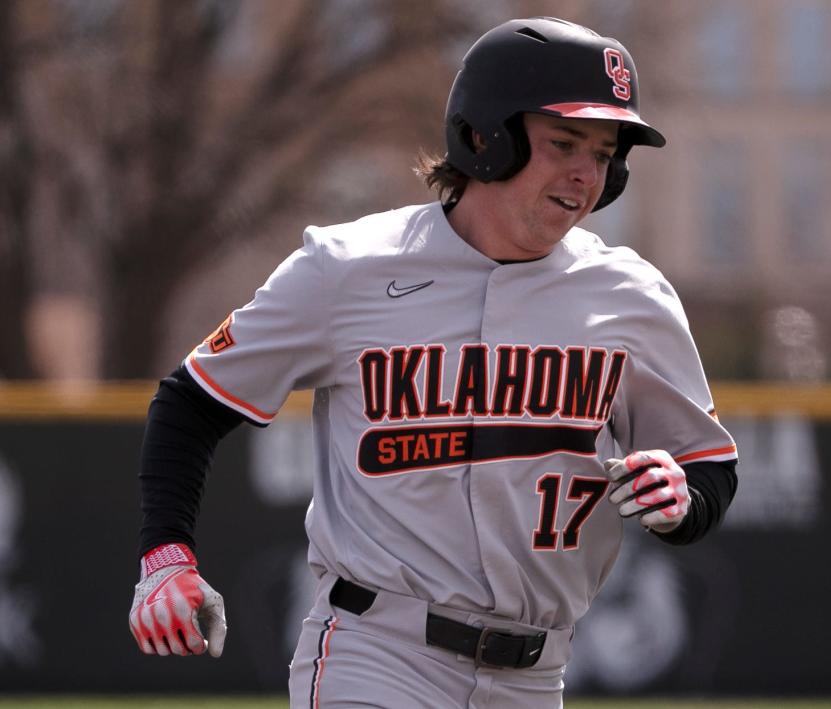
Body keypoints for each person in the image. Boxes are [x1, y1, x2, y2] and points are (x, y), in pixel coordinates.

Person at [129, 16, 738, 708]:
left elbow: (709, 468)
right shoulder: (348, 269)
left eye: (604, 154)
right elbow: (191, 402)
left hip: (536, 675)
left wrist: (681, 497)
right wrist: (165, 556)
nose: (586, 173)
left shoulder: (631, 297)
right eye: (563, 142)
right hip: (374, 651)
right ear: (485, 137)